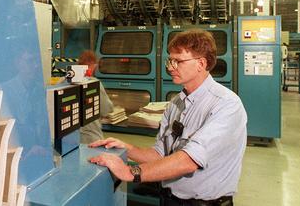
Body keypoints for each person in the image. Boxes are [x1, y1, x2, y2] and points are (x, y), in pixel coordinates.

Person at [88, 29, 247, 205]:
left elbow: (188, 161)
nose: (171, 67)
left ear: (201, 64)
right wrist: (126, 147)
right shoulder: (175, 104)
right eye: (170, 61)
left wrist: (130, 172)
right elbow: (160, 154)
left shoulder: (226, 105)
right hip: (169, 199)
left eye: (178, 61)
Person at [77, 50, 113, 144]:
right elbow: (105, 109)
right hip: (90, 137)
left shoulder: (63, 81)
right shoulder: (94, 84)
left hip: (68, 139)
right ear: (94, 65)